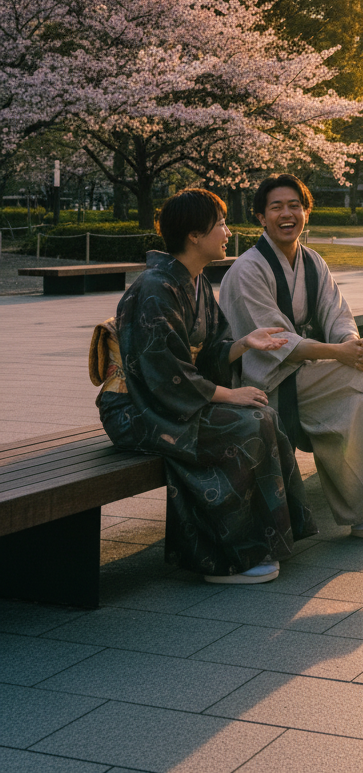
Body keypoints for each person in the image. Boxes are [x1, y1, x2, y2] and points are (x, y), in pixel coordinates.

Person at [95, 189, 317, 584]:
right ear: (195, 235)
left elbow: (209, 349)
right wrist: (230, 394)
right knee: (244, 424)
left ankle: (266, 540)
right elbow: (164, 371)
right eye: (221, 224)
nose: (228, 232)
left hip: (165, 401)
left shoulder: (194, 283)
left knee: (264, 416)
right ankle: (223, 558)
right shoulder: (155, 289)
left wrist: (244, 344)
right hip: (134, 409)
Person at [219, 174, 363, 543]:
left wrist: (352, 344)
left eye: (295, 205)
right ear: (261, 217)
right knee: (353, 377)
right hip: (262, 384)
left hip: (309, 378)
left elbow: (338, 314)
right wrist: (340, 354)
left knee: (354, 401)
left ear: (306, 212)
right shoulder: (248, 269)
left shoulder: (312, 262)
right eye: (276, 207)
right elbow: (276, 342)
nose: (287, 213)